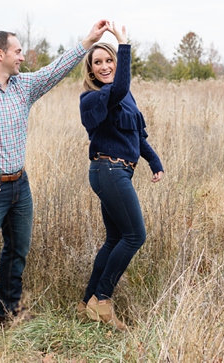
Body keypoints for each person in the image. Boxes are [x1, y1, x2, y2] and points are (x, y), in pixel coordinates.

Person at [0, 19, 110, 338]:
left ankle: (9, 313)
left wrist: (87, 41)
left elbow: (55, 70)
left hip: (20, 186)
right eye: (17, 51)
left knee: (17, 250)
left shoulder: (24, 86)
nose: (22, 57)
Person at [77, 23, 164, 331]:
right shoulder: (94, 98)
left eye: (109, 60)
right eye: (97, 62)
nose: (104, 66)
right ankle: (103, 299)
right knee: (134, 236)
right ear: (90, 69)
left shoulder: (125, 98)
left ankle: (86, 301)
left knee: (115, 238)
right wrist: (123, 43)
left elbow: (137, 136)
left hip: (118, 171)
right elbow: (121, 86)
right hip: (108, 170)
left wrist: (154, 162)